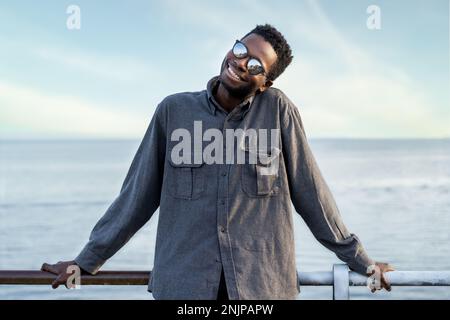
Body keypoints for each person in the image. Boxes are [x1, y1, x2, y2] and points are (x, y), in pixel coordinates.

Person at [41, 24, 394, 300]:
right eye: (240, 49)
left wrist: (361, 262)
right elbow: (136, 199)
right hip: (184, 289)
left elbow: (312, 196)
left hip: (262, 289)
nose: (240, 62)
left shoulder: (278, 111)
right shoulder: (173, 112)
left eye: (254, 64)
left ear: (265, 82)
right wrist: (86, 261)